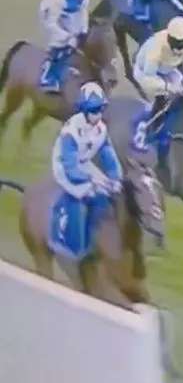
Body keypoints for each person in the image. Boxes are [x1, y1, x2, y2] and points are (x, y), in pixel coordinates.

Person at [49, 83, 123, 259]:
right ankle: (69, 242)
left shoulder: (101, 129)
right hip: (64, 166)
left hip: (84, 163)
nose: (98, 115)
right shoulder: (71, 131)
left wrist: (115, 178)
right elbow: (71, 169)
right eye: (93, 111)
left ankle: (91, 241)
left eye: (100, 110)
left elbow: (108, 156)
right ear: (84, 110)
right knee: (79, 194)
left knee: (103, 196)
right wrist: (91, 180)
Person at [133, 16, 183, 138]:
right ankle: (146, 128)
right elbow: (149, 77)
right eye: (178, 47)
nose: (181, 51)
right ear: (171, 40)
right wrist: (169, 87)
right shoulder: (156, 48)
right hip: (145, 74)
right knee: (161, 98)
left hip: (167, 70)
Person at [37, 0, 92, 94]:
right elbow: (50, 23)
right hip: (52, 18)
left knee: (76, 41)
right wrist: (66, 36)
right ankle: (48, 75)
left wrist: (83, 31)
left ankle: (69, 64)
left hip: (69, 16)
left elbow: (83, 13)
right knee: (61, 44)